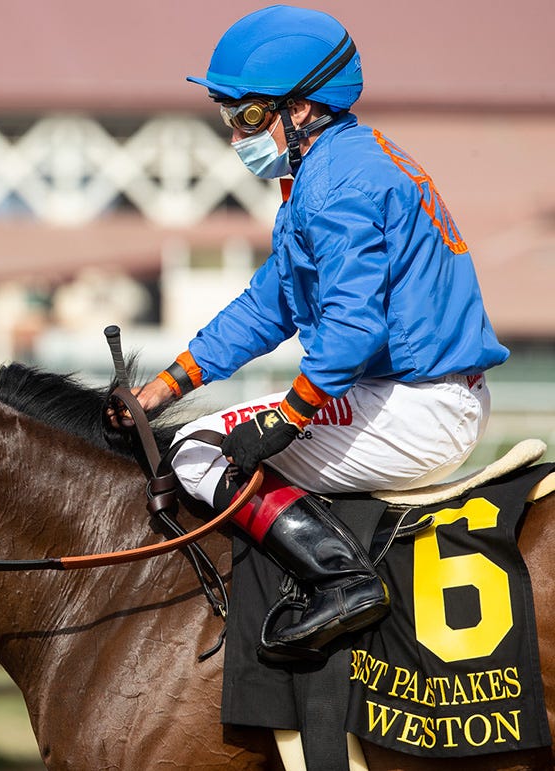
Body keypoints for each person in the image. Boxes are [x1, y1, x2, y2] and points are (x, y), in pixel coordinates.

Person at [114, 5, 508, 663]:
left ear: (300, 109)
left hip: (416, 406)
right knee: (205, 428)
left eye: (247, 116)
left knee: (197, 452)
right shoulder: (337, 165)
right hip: (416, 396)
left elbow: (353, 328)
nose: (235, 136)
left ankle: (343, 580)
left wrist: (289, 417)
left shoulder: (334, 184)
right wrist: (161, 388)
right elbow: (268, 305)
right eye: (229, 116)